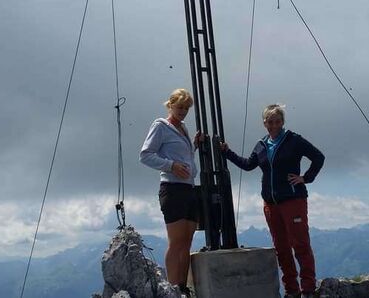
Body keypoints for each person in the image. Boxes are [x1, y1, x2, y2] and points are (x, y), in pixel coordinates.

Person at [221, 103, 324, 298]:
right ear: (264, 123)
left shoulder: (294, 140)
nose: (273, 125)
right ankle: (292, 291)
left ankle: (308, 289)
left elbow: (318, 157)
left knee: (300, 244)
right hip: (270, 204)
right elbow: (248, 165)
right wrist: (227, 153)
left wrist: (305, 178)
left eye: (277, 121)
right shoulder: (261, 145)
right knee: (282, 248)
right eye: (270, 122)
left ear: (283, 122)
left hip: (293, 199)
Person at [139, 88, 200, 297]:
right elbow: (145, 155)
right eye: (179, 107)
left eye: (186, 108)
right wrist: (171, 165)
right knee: (176, 241)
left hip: (189, 188)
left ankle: (182, 287)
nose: (183, 111)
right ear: (170, 105)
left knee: (187, 240)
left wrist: (194, 147)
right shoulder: (161, 126)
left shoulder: (183, 128)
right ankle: (173, 288)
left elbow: (184, 156)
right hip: (172, 189)